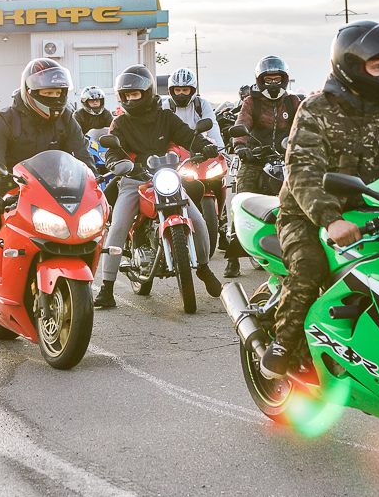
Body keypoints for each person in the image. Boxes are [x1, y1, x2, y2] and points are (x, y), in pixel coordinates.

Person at [260, 21, 379, 380]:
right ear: (351, 67)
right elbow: (302, 173)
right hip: (310, 214)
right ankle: (282, 344)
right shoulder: (316, 110)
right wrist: (331, 219)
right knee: (309, 268)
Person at [0, 59, 96, 306]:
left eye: (58, 93)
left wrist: (93, 181)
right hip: (10, 189)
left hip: (55, 191)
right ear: (30, 92)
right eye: (47, 93)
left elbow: (82, 154)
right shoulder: (6, 119)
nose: (54, 98)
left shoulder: (65, 119)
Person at [95, 64, 223, 308]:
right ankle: (107, 288)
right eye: (127, 95)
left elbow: (187, 135)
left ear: (148, 92)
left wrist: (204, 145)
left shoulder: (166, 117)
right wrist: (120, 163)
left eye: (135, 94)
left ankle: (204, 269)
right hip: (135, 179)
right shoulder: (120, 123)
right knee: (119, 225)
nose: (131, 99)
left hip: (166, 176)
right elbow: (112, 149)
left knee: (197, 220)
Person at [224, 56, 303, 278]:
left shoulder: (293, 102)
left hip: (288, 158)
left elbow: (305, 124)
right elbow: (242, 123)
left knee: (303, 195)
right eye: (268, 80)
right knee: (241, 198)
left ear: (284, 80)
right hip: (256, 158)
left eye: (277, 79)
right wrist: (240, 147)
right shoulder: (252, 102)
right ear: (260, 81)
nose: (273, 84)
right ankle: (232, 258)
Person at [162, 69, 225, 153]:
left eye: (185, 90)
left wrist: (221, 152)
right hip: (173, 152)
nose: (181, 94)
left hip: (199, 148)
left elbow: (213, 128)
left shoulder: (202, 104)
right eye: (177, 90)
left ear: (192, 90)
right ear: (171, 91)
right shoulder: (165, 106)